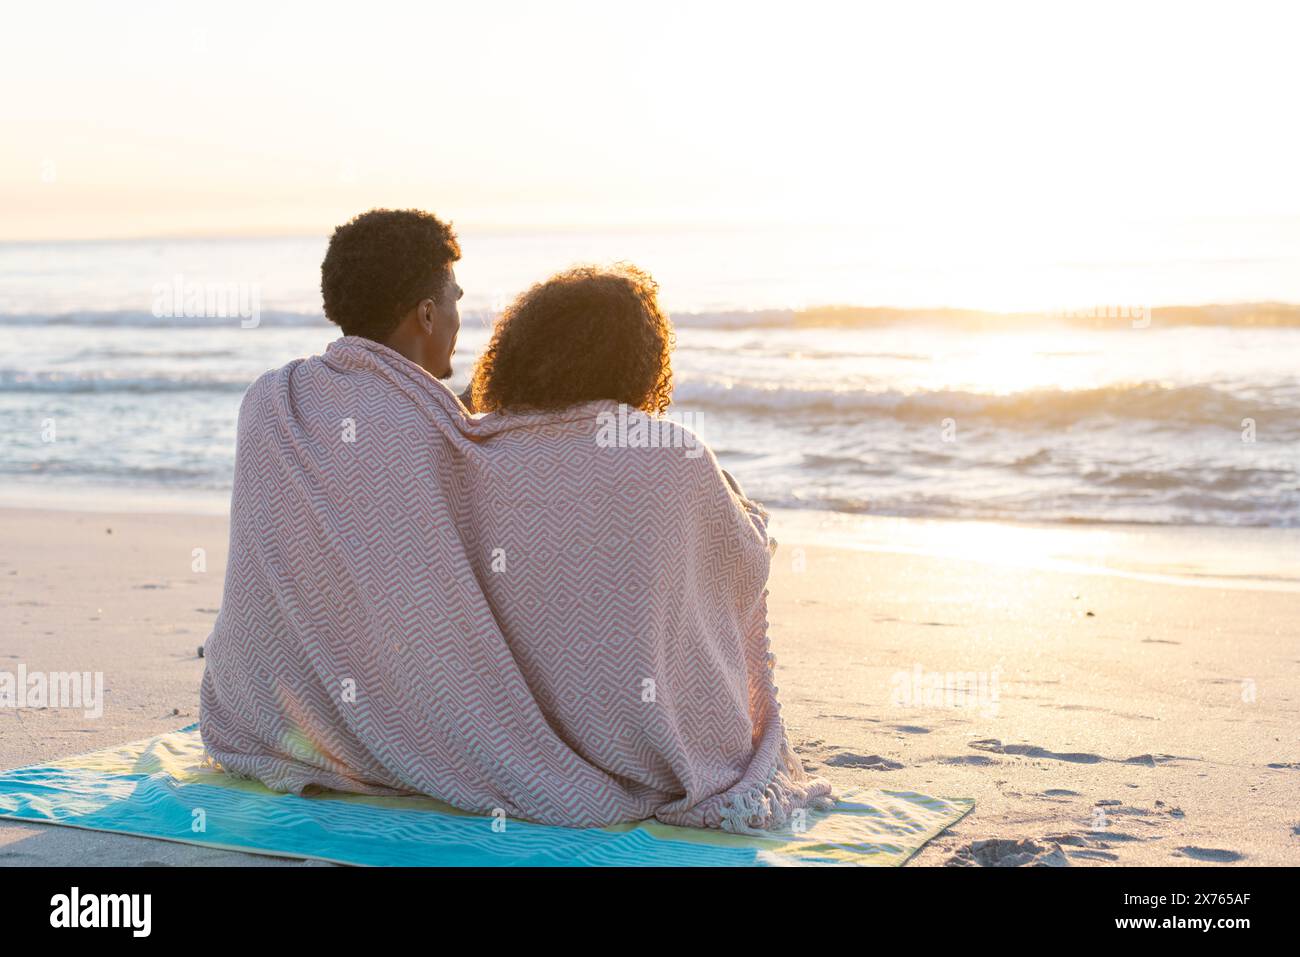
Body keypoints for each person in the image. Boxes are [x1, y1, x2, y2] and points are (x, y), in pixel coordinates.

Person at [200, 218, 830, 831]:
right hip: (389, 713)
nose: (456, 320)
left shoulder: (271, 399)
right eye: (453, 301)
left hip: (255, 707)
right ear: (424, 314)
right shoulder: (437, 436)